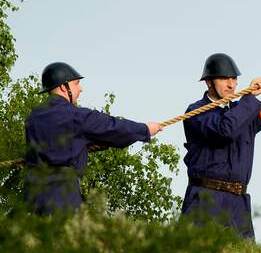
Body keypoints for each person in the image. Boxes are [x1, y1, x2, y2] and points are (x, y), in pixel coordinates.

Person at [181, 45, 261, 239]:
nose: (231, 84)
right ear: (209, 82)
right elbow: (225, 130)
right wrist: (249, 98)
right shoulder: (195, 113)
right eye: (224, 78)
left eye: (234, 78)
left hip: (238, 204)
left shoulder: (247, 111)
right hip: (204, 200)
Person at [24, 61, 163, 214]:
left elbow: (59, 146)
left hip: (32, 197)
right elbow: (113, 127)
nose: (81, 89)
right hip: (62, 196)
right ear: (64, 87)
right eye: (76, 83)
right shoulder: (76, 116)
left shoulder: (33, 118)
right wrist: (145, 129)